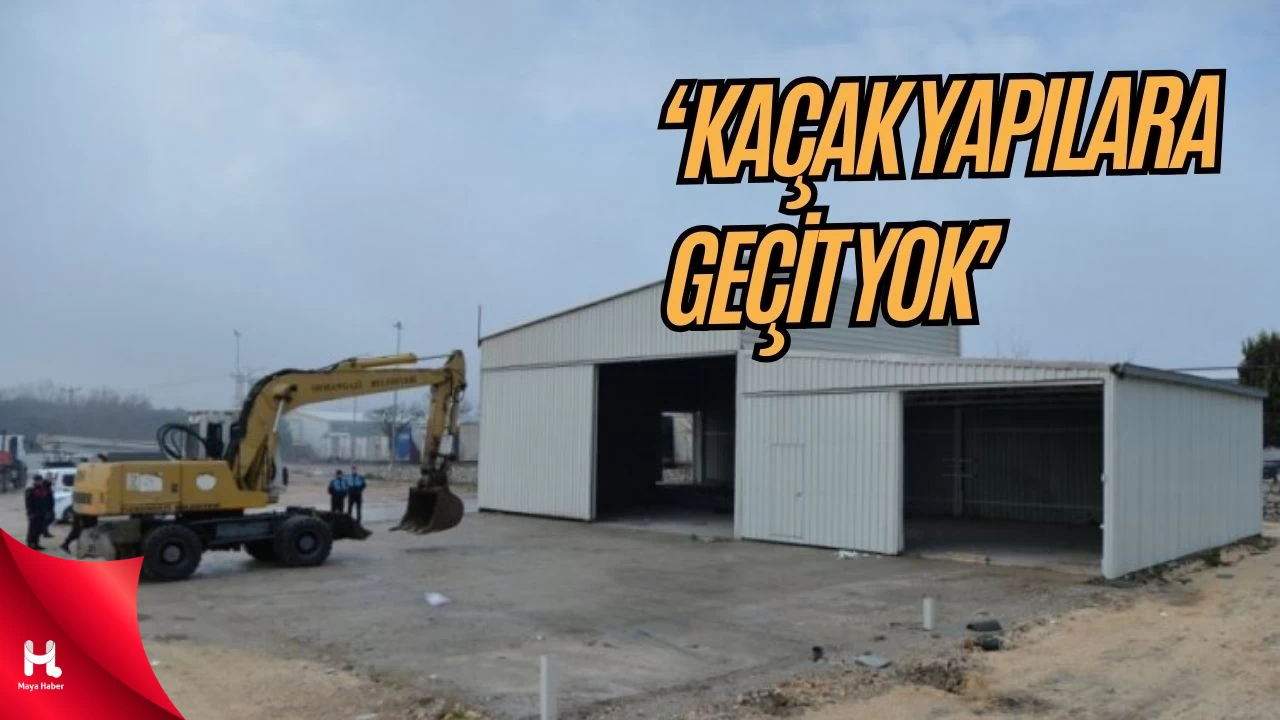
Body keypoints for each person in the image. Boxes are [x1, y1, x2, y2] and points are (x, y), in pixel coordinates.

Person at [25, 478, 49, 550]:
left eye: (40, 481)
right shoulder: (31, 490)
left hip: (42, 513)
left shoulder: (43, 489)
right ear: (35, 481)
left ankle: (36, 543)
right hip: (34, 514)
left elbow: (45, 501)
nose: (39, 482)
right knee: (33, 529)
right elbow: (28, 503)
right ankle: (30, 543)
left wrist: (46, 511)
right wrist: (30, 513)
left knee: (39, 529)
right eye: (38, 481)